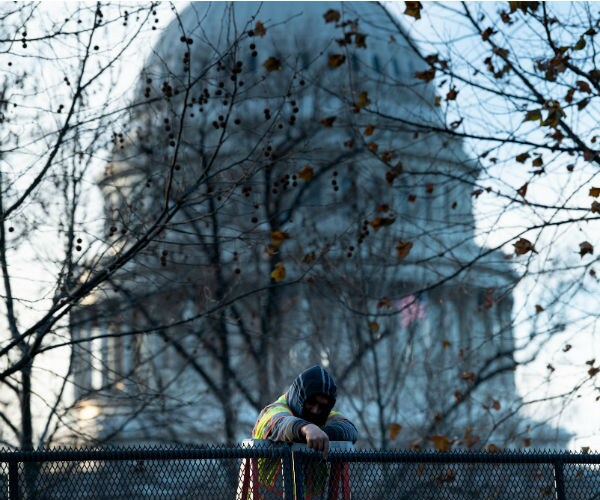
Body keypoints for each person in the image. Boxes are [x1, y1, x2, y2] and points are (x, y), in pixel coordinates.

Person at [249, 365, 358, 497]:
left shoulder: (323, 418)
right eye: (311, 402)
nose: (316, 410)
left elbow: (350, 429)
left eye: (322, 407)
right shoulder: (274, 411)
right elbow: (281, 423)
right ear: (299, 396)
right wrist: (306, 429)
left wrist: (323, 434)